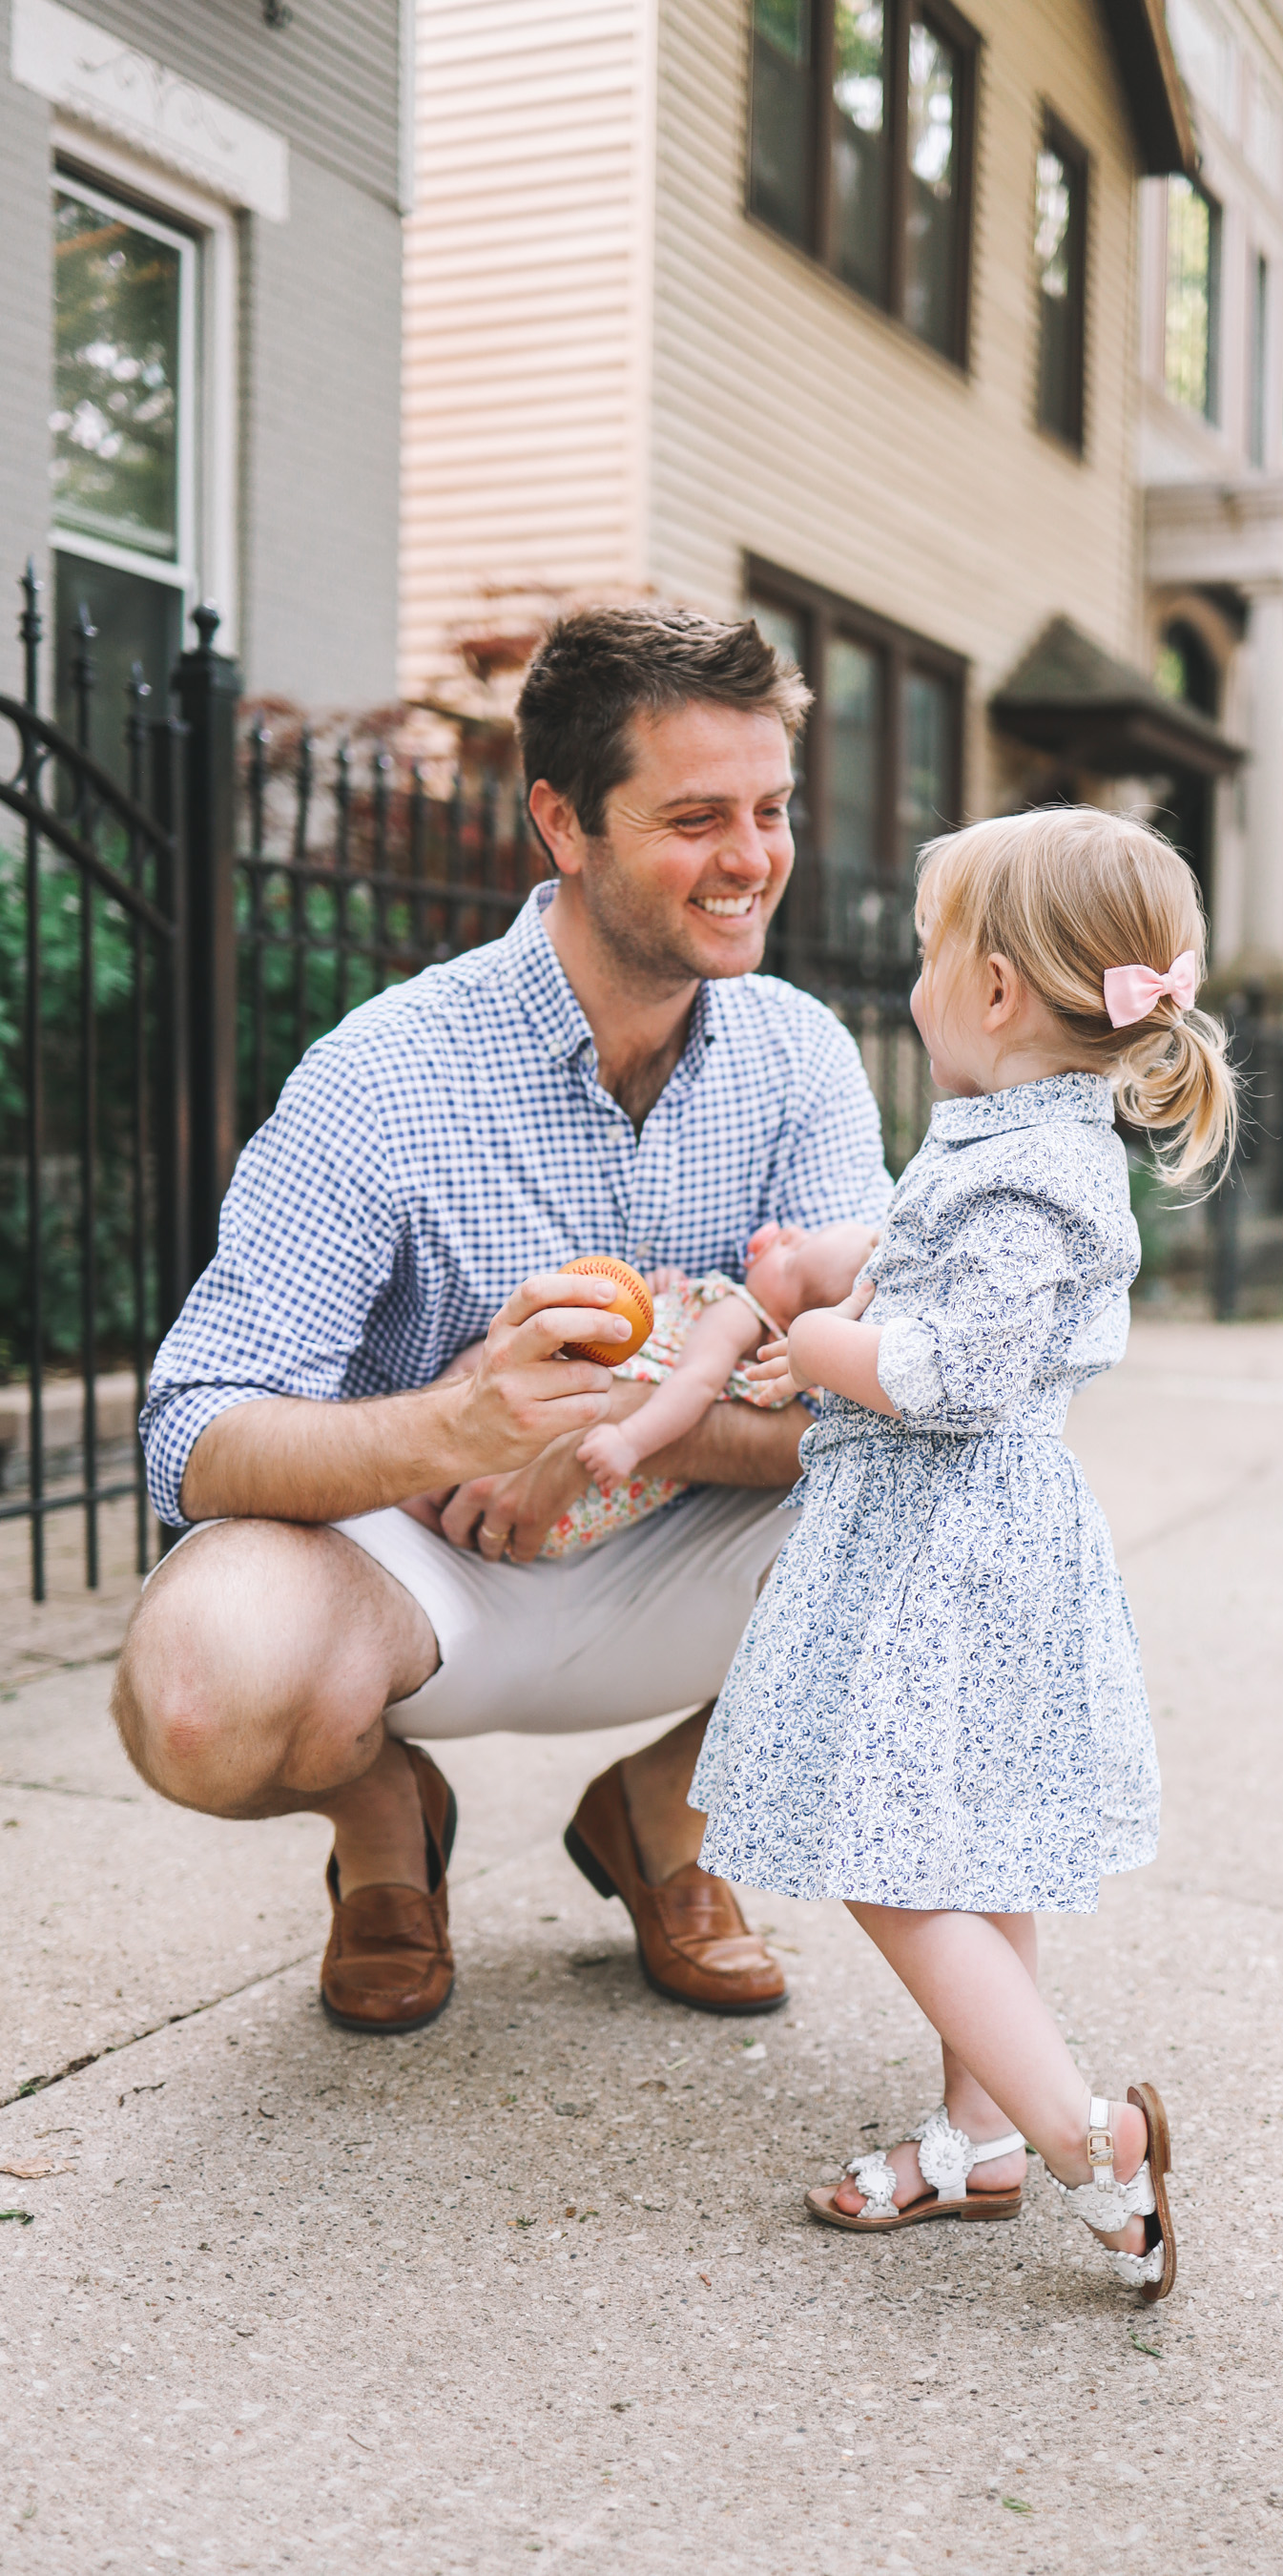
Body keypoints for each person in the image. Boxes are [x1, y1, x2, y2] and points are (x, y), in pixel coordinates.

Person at [114, 607, 891, 2035]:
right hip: (425, 1577)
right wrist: (455, 1427)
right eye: (697, 816)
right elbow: (194, 1436)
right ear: (563, 821)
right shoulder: (386, 1073)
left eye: (771, 809)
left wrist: (612, 1433)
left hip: (698, 1554)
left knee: (992, 1503)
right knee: (197, 1697)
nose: (752, 859)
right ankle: (384, 1825)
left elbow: (896, 1394)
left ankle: (665, 1814)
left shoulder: (802, 1059)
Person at [688, 806, 1236, 2302]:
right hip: (969, 1543)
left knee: (889, 1854)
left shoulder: (1032, 1170)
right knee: (975, 1839)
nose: (914, 983)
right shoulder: (1016, 1145)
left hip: (950, 1546)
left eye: (931, 956)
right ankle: (977, 2139)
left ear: (994, 991)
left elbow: (956, 1370)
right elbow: (942, 1271)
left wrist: (816, 1342)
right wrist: (836, 1265)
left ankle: (1087, 2143)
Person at [560, 1220, 881, 1543]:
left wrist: (629, 1440)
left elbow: (696, 1380)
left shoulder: (739, 1311)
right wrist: (665, 1291)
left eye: (791, 1257)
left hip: (598, 1460)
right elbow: (675, 1336)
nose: (788, 1233)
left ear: (791, 1324)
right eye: (806, 1235)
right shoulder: (735, 1311)